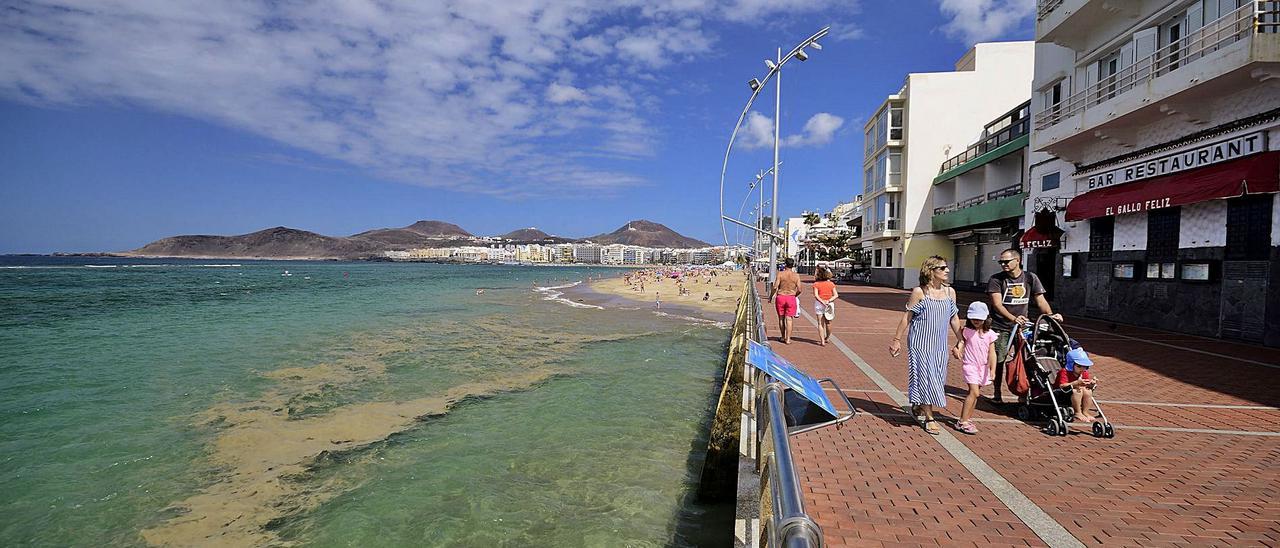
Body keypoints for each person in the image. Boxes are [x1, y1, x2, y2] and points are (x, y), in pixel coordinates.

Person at [890, 256, 964, 435]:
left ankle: (918, 403)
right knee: (925, 377)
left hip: (939, 345)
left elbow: (953, 318)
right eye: (942, 267)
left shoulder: (950, 292)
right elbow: (907, 317)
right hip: (920, 343)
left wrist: (961, 339)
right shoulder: (919, 292)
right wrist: (897, 340)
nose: (947, 270)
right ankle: (930, 418)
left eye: (947, 267)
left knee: (937, 379)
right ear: (931, 271)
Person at [987, 248, 1061, 404]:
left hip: (1023, 327)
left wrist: (1050, 316)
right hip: (1001, 326)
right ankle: (997, 393)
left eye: (1006, 261)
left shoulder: (1030, 277)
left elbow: (1041, 301)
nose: (1003, 264)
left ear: (1017, 260)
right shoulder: (996, 279)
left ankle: (1024, 392)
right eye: (1001, 262)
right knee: (999, 359)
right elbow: (997, 304)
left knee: (1026, 358)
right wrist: (1013, 318)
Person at [953, 302, 998, 435]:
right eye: (973, 318)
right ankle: (962, 421)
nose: (976, 321)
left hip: (983, 368)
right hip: (970, 365)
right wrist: (957, 350)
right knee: (974, 392)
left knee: (974, 394)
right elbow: (960, 343)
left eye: (979, 318)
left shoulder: (990, 334)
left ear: (986, 318)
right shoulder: (966, 331)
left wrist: (993, 369)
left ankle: (967, 418)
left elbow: (992, 353)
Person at [1056, 345, 1099, 423]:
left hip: (1077, 392)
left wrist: (1091, 384)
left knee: (1088, 391)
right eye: (1079, 366)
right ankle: (1077, 412)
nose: (1082, 369)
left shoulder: (1084, 372)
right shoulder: (1064, 372)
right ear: (1071, 365)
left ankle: (1085, 412)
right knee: (1077, 391)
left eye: (1085, 366)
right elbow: (1061, 386)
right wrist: (1075, 383)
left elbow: (1086, 385)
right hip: (1062, 393)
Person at [770, 258, 802, 344]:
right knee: (789, 319)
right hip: (791, 297)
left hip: (781, 296)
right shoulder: (796, 276)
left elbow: (775, 287)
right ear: (793, 265)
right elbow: (799, 289)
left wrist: (771, 296)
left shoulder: (780, 274)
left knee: (781, 318)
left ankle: (783, 336)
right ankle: (788, 339)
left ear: (785, 264)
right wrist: (795, 295)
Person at [812, 267, 839, 346]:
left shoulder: (816, 284)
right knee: (829, 322)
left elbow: (816, 295)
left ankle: (822, 341)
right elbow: (836, 295)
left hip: (819, 304)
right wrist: (829, 300)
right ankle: (827, 337)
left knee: (820, 323)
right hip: (829, 304)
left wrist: (822, 301)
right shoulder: (831, 284)